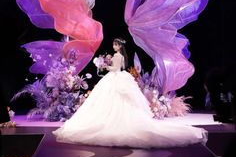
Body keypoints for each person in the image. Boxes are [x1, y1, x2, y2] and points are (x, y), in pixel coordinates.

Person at [53, 38, 207, 148]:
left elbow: (116, 69)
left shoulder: (118, 56)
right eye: (113, 44)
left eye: (116, 44)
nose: (114, 46)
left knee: (119, 100)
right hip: (116, 78)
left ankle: (117, 121)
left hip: (116, 77)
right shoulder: (117, 56)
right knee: (109, 100)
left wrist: (104, 66)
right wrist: (105, 64)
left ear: (119, 46)